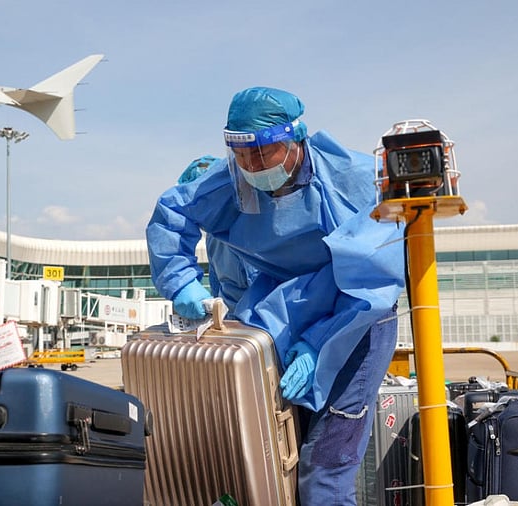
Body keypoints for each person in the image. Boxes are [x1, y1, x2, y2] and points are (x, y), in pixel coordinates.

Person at [146, 87, 405, 505]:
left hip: (357, 323)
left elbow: (370, 282)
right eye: (241, 154)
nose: (251, 166)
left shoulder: (354, 181)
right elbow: (173, 213)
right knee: (270, 457)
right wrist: (181, 282)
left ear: (296, 138)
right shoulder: (235, 179)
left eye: (263, 153)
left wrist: (316, 343)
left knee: (324, 473)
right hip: (282, 317)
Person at [176, 155, 258, 309]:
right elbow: (216, 284)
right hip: (239, 319)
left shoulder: (248, 224)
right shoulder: (213, 235)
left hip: (258, 320)